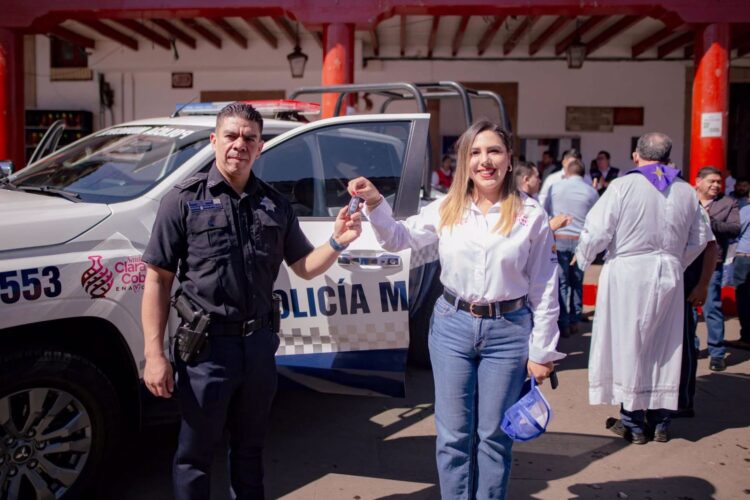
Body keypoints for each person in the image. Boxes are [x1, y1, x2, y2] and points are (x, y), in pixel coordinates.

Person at [140, 102, 363, 500]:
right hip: (206, 351)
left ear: (260, 148)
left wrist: (337, 241)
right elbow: (157, 279)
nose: (239, 144)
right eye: (231, 135)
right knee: (194, 456)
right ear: (214, 141)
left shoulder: (274, 204)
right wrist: (153, 354)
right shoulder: (183, 201)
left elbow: (304, 266)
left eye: (249, 138)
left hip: (259, 348)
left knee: (250, 451)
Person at [348, 120, 564, 499]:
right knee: (452, 436)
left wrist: (542, 351)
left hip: (508, 331)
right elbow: (399, 238)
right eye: (475, 153)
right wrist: (376, 203)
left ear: (509, 159)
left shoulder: (531, 214)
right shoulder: (448, 207)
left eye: (494, 151)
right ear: (465, 162)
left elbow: (544, 285)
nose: (485, 161)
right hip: (452, 326)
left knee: (494, 436)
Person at [576, 132, 710, 445]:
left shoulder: (622, 186)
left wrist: (582, 257)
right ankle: (661, 422)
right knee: (665, 346)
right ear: (668, 156)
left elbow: (597, 230)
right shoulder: (686, 190)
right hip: (669, 273)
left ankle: (633, 423)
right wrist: (676, 262)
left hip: (629, 272)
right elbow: (700, 238)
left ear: (637, 155)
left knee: (629, 344)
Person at [544, 158, 599, 337]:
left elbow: (547, 211)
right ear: (583, 174)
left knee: (561, 282)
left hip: (559, 238)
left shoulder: (554, 187)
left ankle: (564, 322)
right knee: (577, 280)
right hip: (580, 239)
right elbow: (596, 217)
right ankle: (575, 319)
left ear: (567, 172)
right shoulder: (591, 191)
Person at [694, 166, 741, 371]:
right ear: (698, 181)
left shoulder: (728, 203)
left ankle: (717, 353)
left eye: (718, 182)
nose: (716, 185)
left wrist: (708, 221)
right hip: (686, 261)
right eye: (711, 181)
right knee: (687, 309)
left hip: (713, 261)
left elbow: (734, 228)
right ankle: (692, 347)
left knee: (711, 307)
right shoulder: (687, 199)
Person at [726, 201, 750, 350]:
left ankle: (747, 337)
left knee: (744, 297)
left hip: (745, 257)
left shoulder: (746, 210)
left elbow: (735, 230)